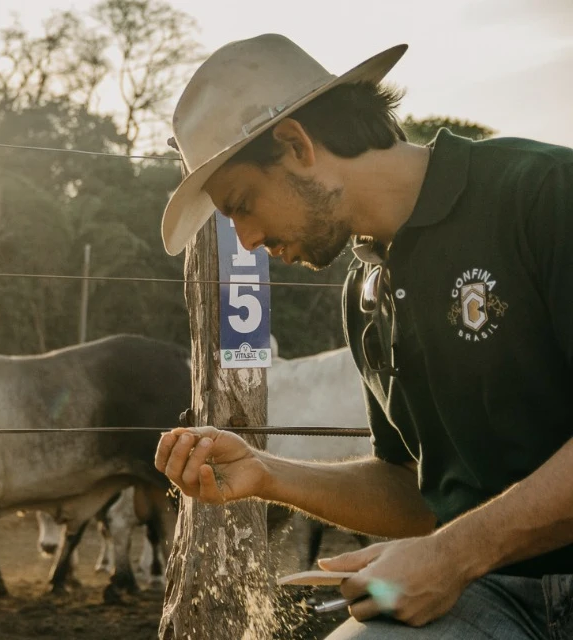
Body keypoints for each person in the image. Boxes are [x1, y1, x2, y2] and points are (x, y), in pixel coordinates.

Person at [153, 33, 573, 639]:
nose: (245, 240)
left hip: (472, 572)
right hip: (489, 595)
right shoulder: (365, 294)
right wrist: (267, 473)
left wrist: (453, 556)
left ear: (296, 145)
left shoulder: (542, 193)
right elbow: (415, 492)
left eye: (242, 204)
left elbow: (447, 543)